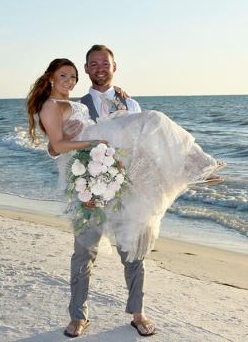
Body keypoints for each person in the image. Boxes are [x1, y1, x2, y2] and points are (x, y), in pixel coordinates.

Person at [26, 53, 224, 338]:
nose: (99, 68)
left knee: (133, 250)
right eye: (92, 64)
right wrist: (73, 141)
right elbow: (54, 147)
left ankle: (138, 313)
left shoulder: (130, 103)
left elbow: (146, 147)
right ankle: (78, 316)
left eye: (105, 63)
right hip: (88, 184)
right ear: (86, 69)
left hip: (124, 185)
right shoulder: (73, 103)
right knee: (84, 251)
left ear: (114, 67)